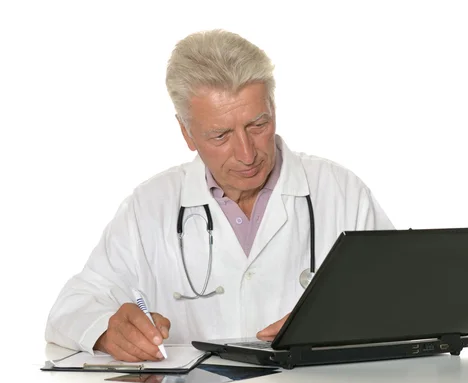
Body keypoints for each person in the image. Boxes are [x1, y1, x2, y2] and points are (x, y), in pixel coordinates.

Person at [44, 29, 394, 362]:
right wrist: (107, 331)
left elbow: (408, 299)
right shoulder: (149, 207)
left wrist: (341, 323)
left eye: (258, 125)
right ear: (187, 133)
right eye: (220, 135)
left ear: (273, 108)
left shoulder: (342, 192)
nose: (246, 153)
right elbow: (71, 308)